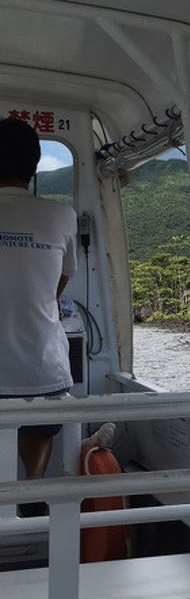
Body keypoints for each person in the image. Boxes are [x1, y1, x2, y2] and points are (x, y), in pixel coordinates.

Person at [0, 117, 77, 480]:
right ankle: (31, 490)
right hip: (42, 373)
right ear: (33, 166)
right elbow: (58, 283)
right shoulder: (62, 216)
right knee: (39, 429)